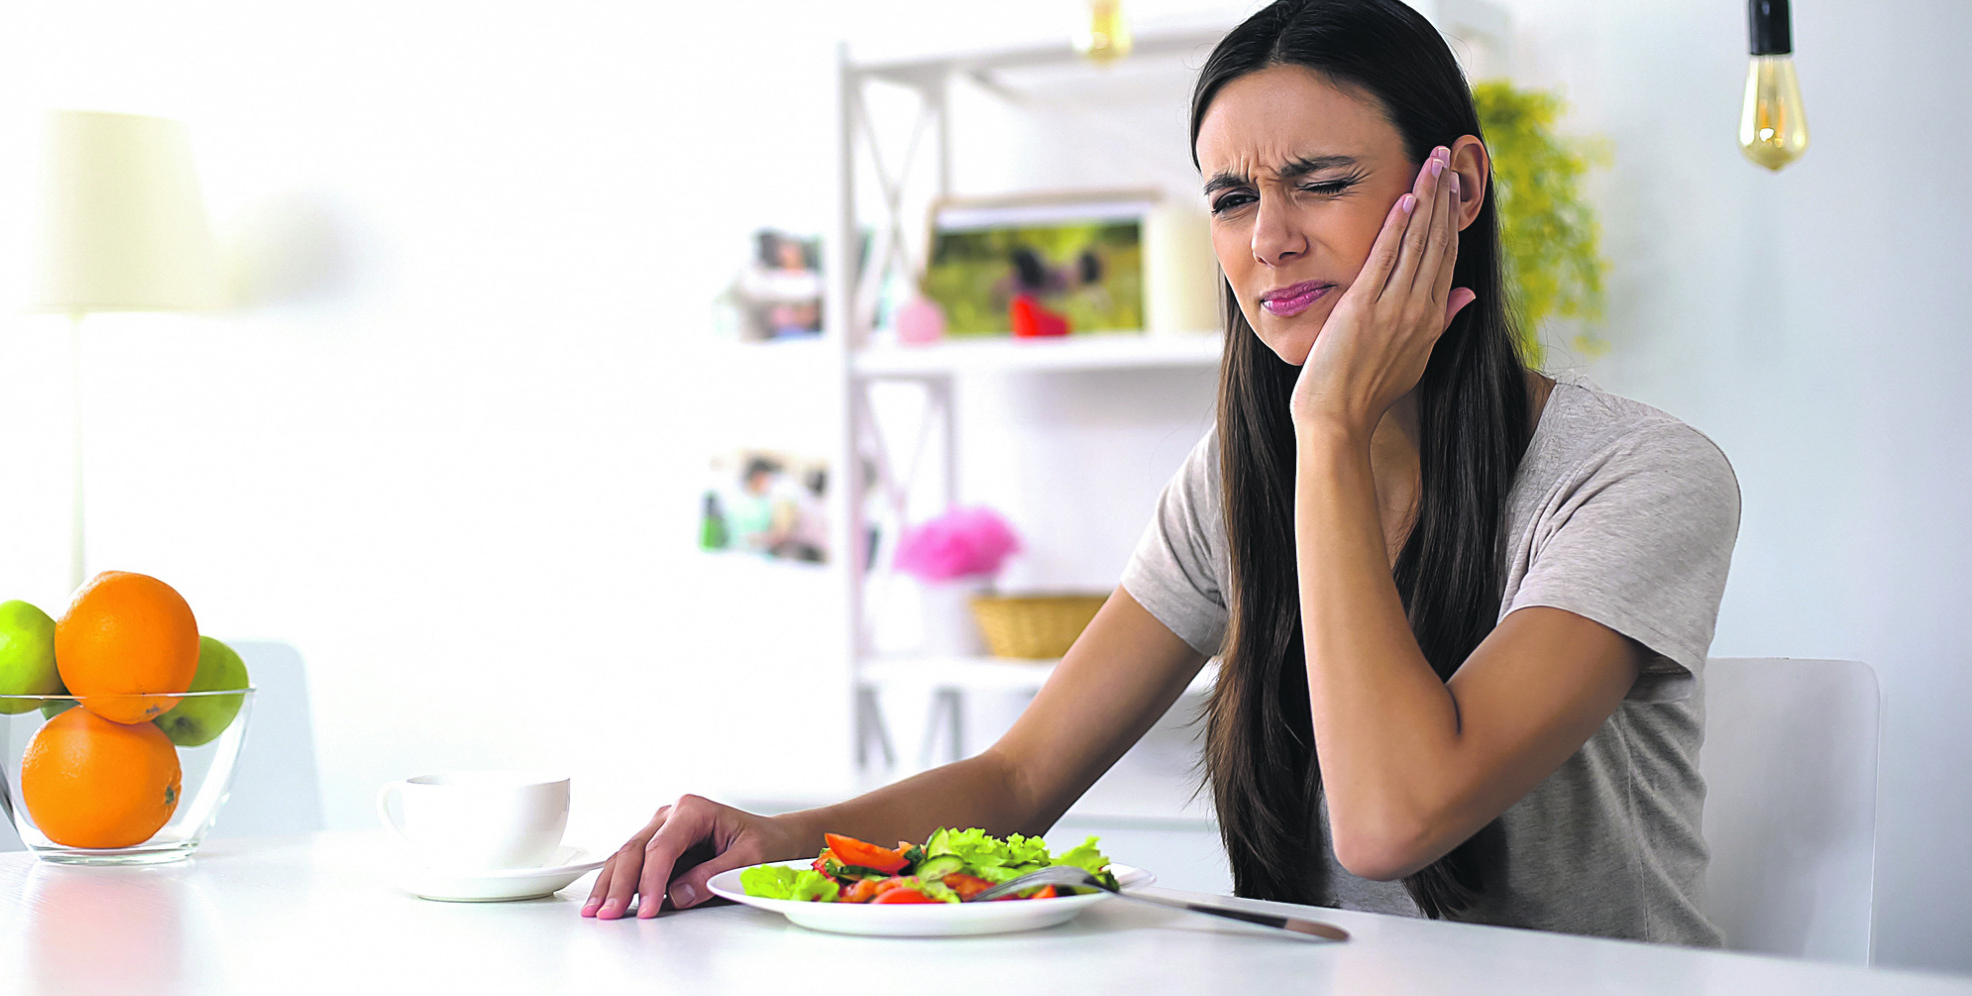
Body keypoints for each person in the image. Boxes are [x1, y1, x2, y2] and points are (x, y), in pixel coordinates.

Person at [584, 0, 1739, 946]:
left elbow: (1389, 824)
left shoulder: (1636, 476)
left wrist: (1328, 427)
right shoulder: (1229, 480)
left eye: (1320, 182)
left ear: (1458, 187)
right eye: (1231, 200)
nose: (1267, 239)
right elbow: (1019, 779)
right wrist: (774, 841)